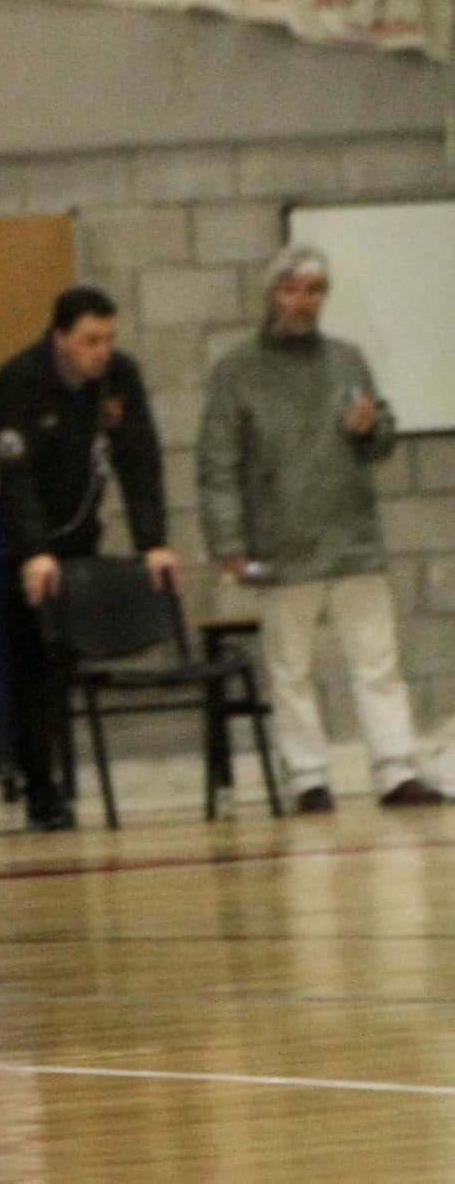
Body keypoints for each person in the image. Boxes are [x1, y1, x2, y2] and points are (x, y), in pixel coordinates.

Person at [198, 247, 443, 814]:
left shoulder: (347, 359)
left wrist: (370, 426)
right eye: (291, 290)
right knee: (291, 670)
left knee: (379, 663)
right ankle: (308, 777)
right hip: (282, 544)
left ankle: (395, 769)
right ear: (270, 294)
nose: (302, 303)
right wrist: (228, 543)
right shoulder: (237, 371)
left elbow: (380, 439)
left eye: (314, 291)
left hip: (353, 538)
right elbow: (216, 464)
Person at [0, 286, 176, 831]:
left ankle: (60, 779)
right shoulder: (19, 382)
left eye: (109, 339)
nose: (102, 352)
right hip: (19, 546)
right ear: (60, 338)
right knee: (31, 669)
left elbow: (139, 458)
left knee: (65, 667)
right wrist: (33, 551)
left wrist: (152, 540)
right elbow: (12, 476)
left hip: (79, 537)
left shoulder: (119, 379)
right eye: (91, 341)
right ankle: (39, 790)